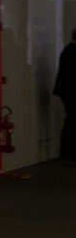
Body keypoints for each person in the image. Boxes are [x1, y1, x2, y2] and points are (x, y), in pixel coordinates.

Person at [54, 29, 76, 164]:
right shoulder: (71, 52)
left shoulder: (69, 50)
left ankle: (67, 153)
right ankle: (68, 153)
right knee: (72, 121)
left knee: (71, 120)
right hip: (71, 92)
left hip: (68, 91)